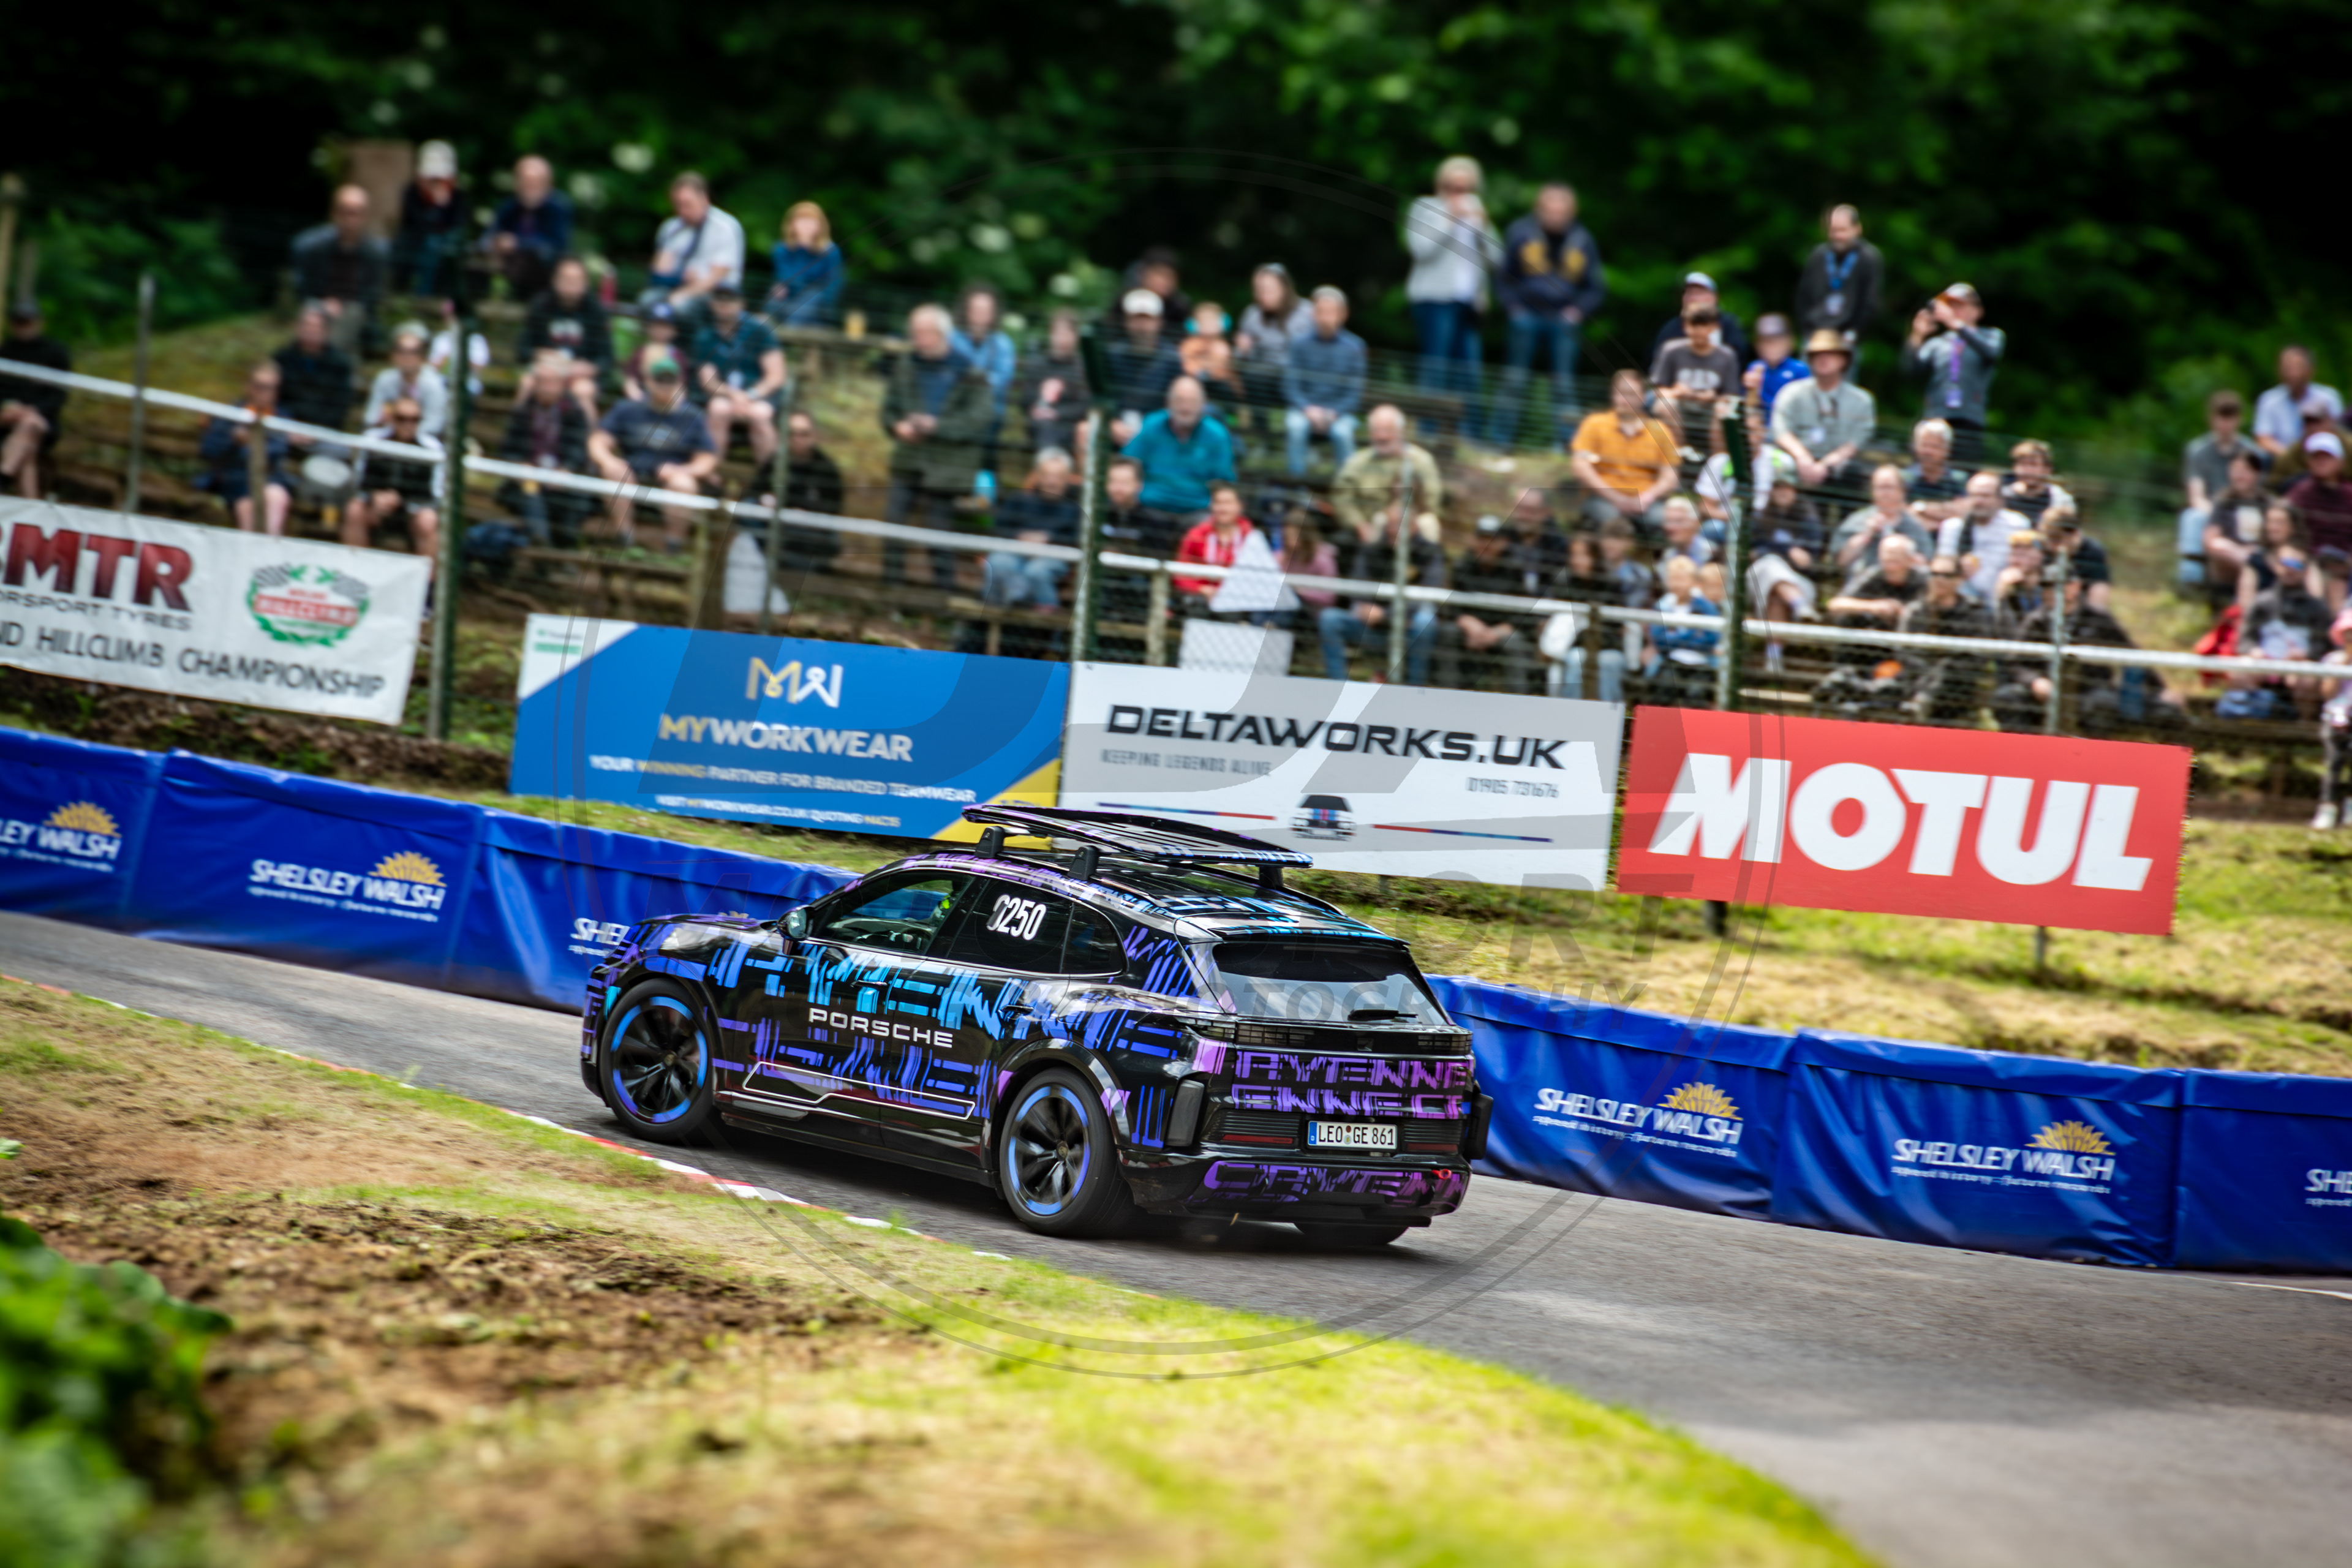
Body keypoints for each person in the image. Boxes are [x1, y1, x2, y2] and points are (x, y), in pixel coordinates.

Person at [879, 304, 992, 587]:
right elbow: (888, 411)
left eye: (923, 332)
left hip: (948, 465)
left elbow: (979, 420)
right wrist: (898, 427)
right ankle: (891, 589)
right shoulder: (906, 366)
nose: (917, 339)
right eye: (914, 332)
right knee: (893, 521)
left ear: (942, 334)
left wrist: (937, 426)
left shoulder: (969, 371)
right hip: (910, 457)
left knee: (937, 530)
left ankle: (944, 593)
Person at [1490, 181, 1605, 445]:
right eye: (1550, 211)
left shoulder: (1582, 240)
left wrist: (1578, 312)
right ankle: (1499, 441)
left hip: (1564, 319)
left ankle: (1566, 445)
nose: (1555, 217)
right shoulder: (1521, 233)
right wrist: (1514, 308)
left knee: (1563, 383)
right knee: (1515, 380)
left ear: (1571, 213)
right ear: (1539, 209)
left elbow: (1596, 288)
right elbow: (1502, 277)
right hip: (1526, 315)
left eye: (1561, 212)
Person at [588, 352, 718, 552]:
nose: (664, 385)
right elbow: (598, 440)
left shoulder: (693, 416)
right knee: (614, 471)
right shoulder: (627, 409)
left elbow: (707, 458)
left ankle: (674, 546)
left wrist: (683, 471)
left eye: (670, 380)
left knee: (683, 484)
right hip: (631, 473)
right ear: (647, 381)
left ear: (680, 383)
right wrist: (608, 461)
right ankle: (624, 538)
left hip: (670, 479)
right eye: (659, 379)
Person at [1403, 155, 1501, 407]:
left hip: (1469, 302)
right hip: (1435, 299)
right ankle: (1428, 425)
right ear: (1442, 185)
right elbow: (1420, 249)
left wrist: (1483, 226)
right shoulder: (1426, 207)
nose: (1460, 194)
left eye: (1466, 189)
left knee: (1469, 373)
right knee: (1436, 367)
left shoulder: (1477, 214)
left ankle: (1466, 427)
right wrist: (1449, 220)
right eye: (1454, 188)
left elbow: (1498, 259)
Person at [1319, 502, 1444, 685]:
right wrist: (1367, 609)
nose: (1393, 530)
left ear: (1414, 526)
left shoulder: (1430, 552)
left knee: (1425, 622)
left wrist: (1386, 615)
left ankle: (1413, 690)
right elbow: (1358, 586)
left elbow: (1429, 594)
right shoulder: (1372, 550)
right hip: (1372, 626)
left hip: (1408, 627)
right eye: (1390, 525)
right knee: (1330, 619)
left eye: (1399, 525)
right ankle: (1338, 686)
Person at [496, 354, 595, 548]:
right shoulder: (523, 411)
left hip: (563, 481)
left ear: (562, 384)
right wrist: (521, 464)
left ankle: (564, 550)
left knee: (569, 502)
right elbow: (508, 448)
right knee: (530, 490)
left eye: (550, 382)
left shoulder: (574, 412)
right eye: (541, 381)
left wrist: (566, 468)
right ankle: (542, 544)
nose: (545, 387)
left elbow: (579, 449)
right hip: (529, 479)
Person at [1773, 330, 1876, 505]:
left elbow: (1857, 441)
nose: (1823, 359)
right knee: (1778, 466)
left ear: (1844, 360)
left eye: (1830, 354)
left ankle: (1846, 523)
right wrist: (1803, 458)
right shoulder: (1791, 393)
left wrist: (1826, 465)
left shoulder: (1862, 401)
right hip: (1797, 463)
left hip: (1838, 468)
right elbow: (1780, 430)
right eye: (1817, 354)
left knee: (1854, 472)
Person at [1570, 370, 1681, 533]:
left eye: (1631, 395)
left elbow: (1670, 476)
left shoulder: (1660, 431)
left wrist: (1647, 498)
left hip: (1647, 503)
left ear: (1644, 398)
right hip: (1603, 499)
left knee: (1667, 521)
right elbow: (1580, 467)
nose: (1625, 400)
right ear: (1613, 396)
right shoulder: (1594, 424)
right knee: (1613, 523)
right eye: (1620, 393)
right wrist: (1615, 497)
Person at [1905, 284, 2003, 464]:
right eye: (1951, 306)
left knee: (1963, 469)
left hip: (1968, 418)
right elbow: (1911, 371)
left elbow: (1991, 353)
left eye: (1960, 306)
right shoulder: (1938, 343)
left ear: (1977, 311)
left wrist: (1956, 324)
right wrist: (1917, 335)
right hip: (1936, 417)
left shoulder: (1991, 336)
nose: (1954, 311)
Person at [2179, 390, 2268, 590]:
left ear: (2239, 419)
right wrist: (2217, 512)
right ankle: (2190, 579)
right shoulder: (2198, 451)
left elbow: (2258, 493)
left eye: (2230, 418)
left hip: (2244, 507)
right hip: (2214, 508)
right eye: (2221, 417)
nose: (2225, 424)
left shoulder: (2252, 452)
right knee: (2193, 518)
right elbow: (2196, 494)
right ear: (2212, 418)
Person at [1438, 515, 1537, 692]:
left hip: (1501, 632)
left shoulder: (1515, 569)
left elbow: (1526, 613)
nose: (1486, 545)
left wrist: (1497, 632)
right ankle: (1447, 695)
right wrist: (1468, 623)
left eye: (1492, 540)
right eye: (1481, 539)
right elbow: (1449, 607)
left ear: (1503, 543)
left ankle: (1519, 702)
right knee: (1448, 633)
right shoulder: (1461, 566)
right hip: (1469, 631)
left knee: (1515, 642)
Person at [288, 185, 388, 358]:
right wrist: (325, 303)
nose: (350, 219)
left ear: (365, 216)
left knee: (353, 314)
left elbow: (373, 296)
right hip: (321, 306)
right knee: (312, 313)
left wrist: (343, 305)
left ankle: (327, 358)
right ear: (335, 214)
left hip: (356, 311)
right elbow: (305, 287)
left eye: (355, 213)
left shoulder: (375, 254)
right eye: (345, 212)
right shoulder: (316, 249)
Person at [344, 398, 443, 568]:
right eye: (402, 419)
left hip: (412, 512)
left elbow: (435, 495)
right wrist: (374, 497)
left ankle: (428, 583)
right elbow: (358, 483)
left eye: (414, 420)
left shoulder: (432, 448)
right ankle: (354, 571)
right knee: (355, 510)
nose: (408, 425)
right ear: (392, 418)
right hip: (375, 509)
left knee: (429, 520)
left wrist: (402, 502)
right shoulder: (372, 440)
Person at [694, 285, 788, 465]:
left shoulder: (760, 330)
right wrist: (733, 395)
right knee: (717, 409)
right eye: (719, 299)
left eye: (730, 299)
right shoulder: (705, 336)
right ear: (712, 304)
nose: (724, 304)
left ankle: (767, 474)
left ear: (742, 304)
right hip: (725, 396)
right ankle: (711, 470)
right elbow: (708, 380)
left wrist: (749, 396)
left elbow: (776, 376)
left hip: (761, 395)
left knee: (760, 414)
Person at [195, 361, 292, 535]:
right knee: (247, 507)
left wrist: (255, 444)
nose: (265, 393)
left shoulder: (282, 418)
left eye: (271, 388)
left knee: (275, 496)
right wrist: (235, 442)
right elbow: (208, 451)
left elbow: (279, 451)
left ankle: (266, 547)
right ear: (248, 386)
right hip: (235, 481)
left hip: (269, 481)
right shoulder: (229, 415)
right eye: (260, 386)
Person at [1898, 555, 1997, 720]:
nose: (1939, 580)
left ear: (1959, 580)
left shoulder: (1975, 612)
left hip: (1959, 686)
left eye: (1947, 575)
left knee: (1946, 671)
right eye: (1934, 574)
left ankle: (1921, 703)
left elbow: (1978, 657)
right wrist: (1930, 673)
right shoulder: (1916, 611)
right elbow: (1903, 652)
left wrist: (1944, 670)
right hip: (1917, 678)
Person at [1121, 375, 1235, 519]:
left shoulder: (1217, 435)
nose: (1185, 408)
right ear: (1168, 402)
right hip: (1151, 507)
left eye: (1192, 402)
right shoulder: (1151, 425)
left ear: (1203, 404)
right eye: (1180, 401)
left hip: (1197, 510)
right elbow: (1128, 463)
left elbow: (1224, 481)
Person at [983, 447, 1080, 611]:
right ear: (1038, 476)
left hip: (1054, 558)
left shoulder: (1075, 508)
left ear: (1068, 478)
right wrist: (1020, 536)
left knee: (1037, 571)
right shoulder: (1019, 500)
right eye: (1047, 475)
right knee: (998, 562)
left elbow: (1077, 538)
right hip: (1016, 553)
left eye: (1058, 476)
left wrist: (1048, 540)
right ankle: (1011, 605)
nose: (1052, 481)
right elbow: (999, 528)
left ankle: (1038, 615)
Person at [1283, 285, 1365, 475]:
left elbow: (1354, 394)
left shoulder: (1355, 347)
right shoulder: (1298, 344)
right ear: (1313, 313)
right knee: (1296, 427)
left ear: (1343, 314)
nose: (1325, 317)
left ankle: (1347, 483)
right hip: (1304, 410)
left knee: (1342, 433)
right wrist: (1308, 409)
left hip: (1340, 413)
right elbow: (1291, 385)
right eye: (1321, 311)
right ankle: (1297, 484)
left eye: (1330, 312)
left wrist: (1334, 413)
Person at [1332, 404, 1444, 541]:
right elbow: (1342, 498)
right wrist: (1359, 525)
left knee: (1429, 523)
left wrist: (1409, 524)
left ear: (1401, 431)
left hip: (1412, 529)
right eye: (1377, 430)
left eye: (1388, 430)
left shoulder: (1421, 461)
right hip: (1369, 530)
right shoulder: (1357, 463)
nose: (1382, 436)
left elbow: (1432, 502)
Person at [0, 304, 71, 499]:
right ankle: (29, 504)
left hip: (41, 420)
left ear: (39, 322)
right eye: (19, 323)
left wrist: (33, 410)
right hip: (10, 419)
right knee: (28, 445)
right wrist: (9, 407)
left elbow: (58, 395)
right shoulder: (6, 351)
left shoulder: (55, 353)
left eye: (27, 323)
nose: (24, 328)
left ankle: (5, 474)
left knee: (29, 426)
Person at [1650, 304, 1741, 453]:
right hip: (1680, 408)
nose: (1699, 331)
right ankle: (1677, 456)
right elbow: (1658, 389)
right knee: (1664, 405)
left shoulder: (1727, 356)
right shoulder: (1671, 350)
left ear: (1714, 327)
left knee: (1724, 410)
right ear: (1685, 326)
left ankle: (1718, 461)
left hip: (1710, 411)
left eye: (1704, 325)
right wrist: (1676, 392)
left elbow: (1731, 395)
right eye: (1694, 325)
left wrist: (1714, 398)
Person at [648, 172, 746, 311]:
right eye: (678, 204)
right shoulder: (671, 227)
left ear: (704, 199)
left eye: (688, 204)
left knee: (682, 307)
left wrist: (686, 290)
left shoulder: (725, 227)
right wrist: (680, 277)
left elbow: (716, 278)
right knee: (648, 301)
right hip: (675, 287)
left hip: (717, 295)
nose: (682, 211)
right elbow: (660, 272)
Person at [484, 154, 573, 300]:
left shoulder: (559, 207)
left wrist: (518, 243)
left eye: (535, 183)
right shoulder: (509, 206)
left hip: (545, 276)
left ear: (548, 184)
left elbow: (558, 245)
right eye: (525, 181)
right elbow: (491, 234)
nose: (529, 187)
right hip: (509, 272)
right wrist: (495, 242)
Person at [1794, 205, 1883, 350]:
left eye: (1843, 230)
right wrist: (1807, 331)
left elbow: (1870, 302)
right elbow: (1803, 297)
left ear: (1857, 229)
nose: (1838, 236)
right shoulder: (1818, 255)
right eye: (1833, 230)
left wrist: (1854, 332)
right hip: (1816, 334)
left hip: (1846, 336)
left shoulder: (1868, 258)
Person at [520, 256, 615, 392]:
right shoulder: (540, 306)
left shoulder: (597, 312)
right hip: (545, 372)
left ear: (586, 284)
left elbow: (606, 359)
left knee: (583, 390)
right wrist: (539, 354)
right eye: (566, 280)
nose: (571, 285)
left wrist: (589, 369)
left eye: (576, 281)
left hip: (580, 377)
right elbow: (522, 350)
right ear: (555, 280)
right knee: (527, 383)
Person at [1830, 462, 1937, 579]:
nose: (1884, 493)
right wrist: (1866, 534)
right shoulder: (1857, 520)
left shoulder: (1914, 526)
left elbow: (1926, 564)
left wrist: (1905, 554)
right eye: (1880, 487)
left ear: (1902, 491)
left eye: (1889, 487)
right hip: (1863, 584)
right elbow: (1841, 561)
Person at [1939, 470, 2033, 602]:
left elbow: (2024, 566)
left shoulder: (2017, 525)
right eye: (1974, 495)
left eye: (1985, 496)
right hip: (1961, 600)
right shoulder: (1953, 527)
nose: (1978, 501)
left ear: (2000, 499)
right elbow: (1943, 567)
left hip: (2005, 596)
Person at [1104, 290, 1183, 443]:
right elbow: (1102, 397)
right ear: (1126, 322)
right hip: (1116, 431)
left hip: (1158, 434)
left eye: (1147, 319)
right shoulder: (1112, 355)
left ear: (1159, 322)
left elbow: (1175, 403)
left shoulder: (1172, 359)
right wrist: (1111, 423)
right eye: (1136, 318)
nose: (1141, 325)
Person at [1234, 263, 1313, 414]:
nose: (1262, 296)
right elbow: (1241, 359)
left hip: (1297, 374)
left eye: (1268, 290)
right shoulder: (1252, 315)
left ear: (1284, 289)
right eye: (1258, 290)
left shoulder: (1307, 313)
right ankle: (1260, 428)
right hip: (1264, 375)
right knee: (1252, 376)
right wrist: (1243, 350)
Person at [1012, 309, 1090, 458]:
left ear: (1076, 337)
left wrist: (1057, 413)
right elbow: (1024, 399)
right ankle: (1050, 465)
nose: (1063, 339)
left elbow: (1084, 405)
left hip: (1070, 425)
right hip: (1039, 424)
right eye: (1059, 333)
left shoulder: (1082, 368)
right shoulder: (1036, 365)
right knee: (1045, 426)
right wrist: (1037, 406)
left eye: (1068, 333)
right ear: (1051, 334)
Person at [2199, 451, 2275, 601]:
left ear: (2257, 474)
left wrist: (2257, 550)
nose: (2239, 476)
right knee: (2219, 545)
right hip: (2231, 562)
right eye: (2235, 471)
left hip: (2263, 555)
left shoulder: (2269, 503)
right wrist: (2241, 552)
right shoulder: (2223, 502)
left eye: (2245, 471)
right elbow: (2210, 540)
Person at [1643, 555, 1718, 702]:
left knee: (1696, 694)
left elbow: (1711, 639)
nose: (1677, 584)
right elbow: (1660, 640)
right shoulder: (1663, 606)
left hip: (1701, 663)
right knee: (1663, 689)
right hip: (1671, 661)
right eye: (1673, 579)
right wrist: (1692, 634)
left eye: (1682, 579)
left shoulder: (1706, 607)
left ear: (1693, 581)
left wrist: (1675, 637)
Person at [394, 140, 464, 295]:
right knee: (430, 244)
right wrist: (434, 206)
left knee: (442, 246)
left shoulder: (458, 197)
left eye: (439, 179)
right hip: (415, 244)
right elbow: (414, 224)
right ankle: (419, 294)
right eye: (432, 179)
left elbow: (459, 226)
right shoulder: (411, 193)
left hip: (446, 247)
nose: (435, 184)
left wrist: (442, 206)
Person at [1172, 482, 1259, 608]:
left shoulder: (1252, 538)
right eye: (1218, 503)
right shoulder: (1196, 535)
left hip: (1239, 600)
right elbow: (1180, 573)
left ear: (1240, 506)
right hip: (1201, 599)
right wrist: (1201, 589)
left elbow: (1258, 578)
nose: (1222, 509)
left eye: (1228, 503)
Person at [272, 305, 355, 433]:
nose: (311, 330)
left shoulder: (340, 365)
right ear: (297, 327)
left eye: (316, 327)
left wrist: (314, 432)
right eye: (307, 325)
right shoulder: (282, 359)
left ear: (326, 331)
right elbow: (274, 399)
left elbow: (340, 406)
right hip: (284, 428)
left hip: (324, 431)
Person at [2253, 345, 2344, 461]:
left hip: (2323, 457)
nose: (2292, 373)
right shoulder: (2268, 400)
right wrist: (2291, 456)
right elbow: (2263, 439)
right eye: (2287, 368)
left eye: (2297, 367)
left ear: (2311, 369)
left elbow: (2339, 434)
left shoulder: (2329, 398)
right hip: (2283, 461)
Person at [363, 326, 450, 440]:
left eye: (413, 352)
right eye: (402, 352)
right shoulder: (384, 379)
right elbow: (370, 417)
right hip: (386, 437)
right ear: (393, 355)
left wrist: (405, 429)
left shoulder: (434, 385)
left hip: (422, 442)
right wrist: (383, 421)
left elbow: (434, 424)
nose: (407, 358)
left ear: (422, 356)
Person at [1648, 272, 1751, 368]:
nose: (1693, 298)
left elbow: (1738, 359)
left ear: (1715, 297)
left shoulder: (1729, 324)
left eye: (1699, 293)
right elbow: (1657, 360)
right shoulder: (1672, 327)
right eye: (1689, 293)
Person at [768, 202, 845, 326]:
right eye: (802, 221)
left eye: (811, 221)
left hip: (817, 304)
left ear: (820, 226)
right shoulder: (781, 249)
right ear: (792, 224)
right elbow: (784, 278)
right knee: (773, 298)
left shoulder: (830, 251)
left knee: (812, 295)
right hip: (790, 297)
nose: (806, 226)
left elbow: (832, 286)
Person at [1827, 534, 1926, 630]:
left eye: (1896, 559)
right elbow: (1836, 604)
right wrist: (1874, 607)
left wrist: (1904, 612)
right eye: (1887, 559)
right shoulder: (1873, 575)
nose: (1891, 566)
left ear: (1910, 560)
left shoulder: (1923, 580)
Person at [951, 281, 1019, 415]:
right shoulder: (952, 339)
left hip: (990, 412)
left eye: (985, 311)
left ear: (994, 314)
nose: (980, 316)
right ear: (966, 311)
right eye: (976, 310)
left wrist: (973, 382)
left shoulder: (1003, 343)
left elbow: (1003, 380)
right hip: (955, 408)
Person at [2284, 431, 2352, 557]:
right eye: (2316, 457)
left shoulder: (2350, 495)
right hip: (2307, 560)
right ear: (2308, 462)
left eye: (2327, 457)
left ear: (2341, 462)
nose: (2321, 462)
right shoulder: (2300, 493)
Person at [2235, 500, 2309, 616]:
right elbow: (2245, 601)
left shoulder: (2303, 559)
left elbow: (2314, 595)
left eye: (2280, 523)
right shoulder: (2255, 560)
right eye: (2270, 522)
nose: (2273, 528)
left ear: (2293, 526)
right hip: (2261, 618)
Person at [1097, 456, 1178, 560]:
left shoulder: (1154, 522)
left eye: (1125, 482)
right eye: (1113, 481)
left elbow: (1158, 561)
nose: (1118, 489)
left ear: (1139, 484)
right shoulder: (1096, 516)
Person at [2040, 504, 2113, 611]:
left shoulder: (2093, 553)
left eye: (2056, 539)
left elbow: (2099, 592)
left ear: (2074, 534)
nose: (2050, 546)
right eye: (2048, 539)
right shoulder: (2044, 550)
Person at [1743, 314, 1809, 424]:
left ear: (1789, 342)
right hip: (1764, 425)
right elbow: (1750, 406)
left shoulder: (1799, 369)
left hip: (1791, 423)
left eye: (1777, 341)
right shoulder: (1755, 368)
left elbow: (1806, 404)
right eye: (1766, 342)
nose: (1772, 347)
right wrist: (1752, 389)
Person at [1902, 418, 1969, 526]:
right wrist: (1945, 513)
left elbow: (1963, 512)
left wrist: (1922, 508)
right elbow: (1902, 514)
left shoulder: (1959, 480)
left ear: (1946, 450)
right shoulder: (1904, 478)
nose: (1928, 452)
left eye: (1934, 447)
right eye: (1924, 445)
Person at [1178, 301, 1242, 409]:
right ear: (1195, 325)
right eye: (1204, 322)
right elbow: (1187, 365)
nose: (1208, 325)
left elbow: (1225, 369)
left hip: (1218, 384)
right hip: (1196, 381)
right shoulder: (1189, 344)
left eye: (1212, 321)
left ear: (1222, 324)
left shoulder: (1222, 346)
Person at [622, 301, 689, 402]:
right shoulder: (641, 352)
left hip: (669, 400)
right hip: (644, 399)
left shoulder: (678, 355)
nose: (660, 330)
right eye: (656, 325)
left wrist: (674, 403)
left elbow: (680, 386)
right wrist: (637, 398)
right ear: (648, 328)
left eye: (665, 326)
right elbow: (631, 381)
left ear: (674, 330)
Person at [2000, 439, 2075, 525]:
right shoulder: (2002, 496)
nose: (2028, 470)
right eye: (2023, 464)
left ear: (2047, 469)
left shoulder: (2061, 501)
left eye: (2033, 464)